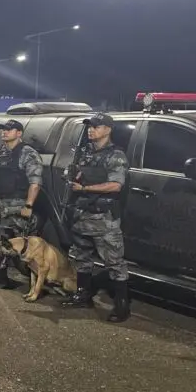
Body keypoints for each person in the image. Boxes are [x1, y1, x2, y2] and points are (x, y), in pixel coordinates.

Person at [60, 113, 131, 322]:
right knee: (82, 258)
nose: (91, 130)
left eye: (96, 126)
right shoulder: (84, 154)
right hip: (81, 215)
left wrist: (84, 187)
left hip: (103, 218)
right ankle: (83, 294)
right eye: (90, 126)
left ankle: (122, 305)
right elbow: (72, 175)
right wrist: (72, 174)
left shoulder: (115, 155)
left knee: (114, 263)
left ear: (107, 130)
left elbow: (116, 185)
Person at [0, 119, 43, 288]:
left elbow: (35, 183)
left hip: (18, 206)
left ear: (19, 133)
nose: (4, 132)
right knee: (1, 242)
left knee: (25, 245)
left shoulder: (28, 153)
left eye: (9, 129)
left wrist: (28, 206)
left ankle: (35, 282)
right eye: (3, 129)